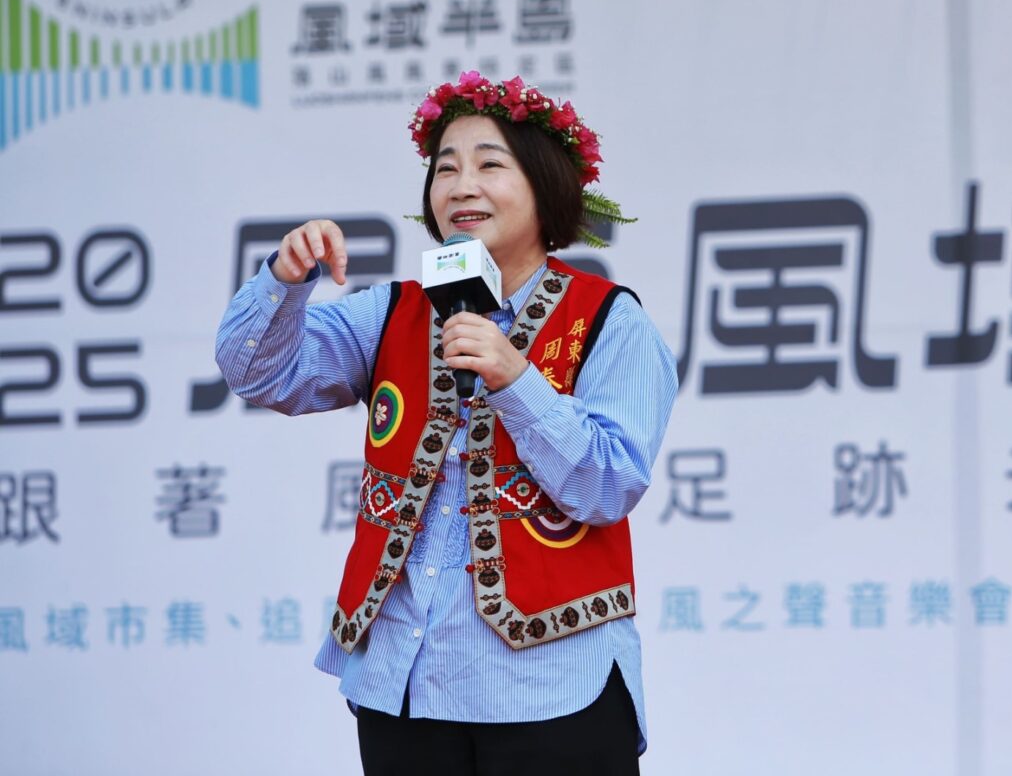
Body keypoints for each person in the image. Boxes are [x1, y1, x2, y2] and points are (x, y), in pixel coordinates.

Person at [215, 71, 677, 775]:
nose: (462, 187)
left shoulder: (611, 321)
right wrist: (283, 277)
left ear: (546, 187)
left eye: (490, 165)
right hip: (404, 681)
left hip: (553, 684)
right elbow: (257, 372)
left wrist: (517, 380)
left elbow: (609, 485)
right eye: (446, 168)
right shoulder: (391, 311)